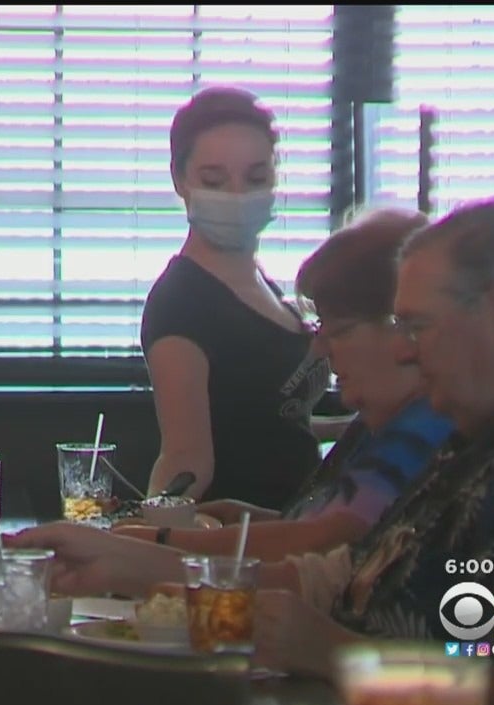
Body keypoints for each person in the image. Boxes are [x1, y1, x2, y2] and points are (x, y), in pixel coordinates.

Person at [15, 199, 494, 679]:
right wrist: (130, 562)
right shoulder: (493, 428)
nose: (406, 351)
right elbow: (352, 574)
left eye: (418, 327)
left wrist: (336, 653)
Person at [115, 207, 453, 561]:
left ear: (404, 327)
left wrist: (157, 542)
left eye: (339, 331)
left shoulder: (423, 432)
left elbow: (325, 539)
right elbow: (335, 525)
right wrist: (250, 521)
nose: (320, 348)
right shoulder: (380, 425)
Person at [140, 86, 332, 508]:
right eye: (214, 180)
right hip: (239, 534)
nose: (238, 194)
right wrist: (147, 532)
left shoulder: (262, 283)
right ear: (180, 180)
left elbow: (269, 421)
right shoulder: (181, 303)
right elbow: (186, 460)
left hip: (299, 522)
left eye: (256, 177)